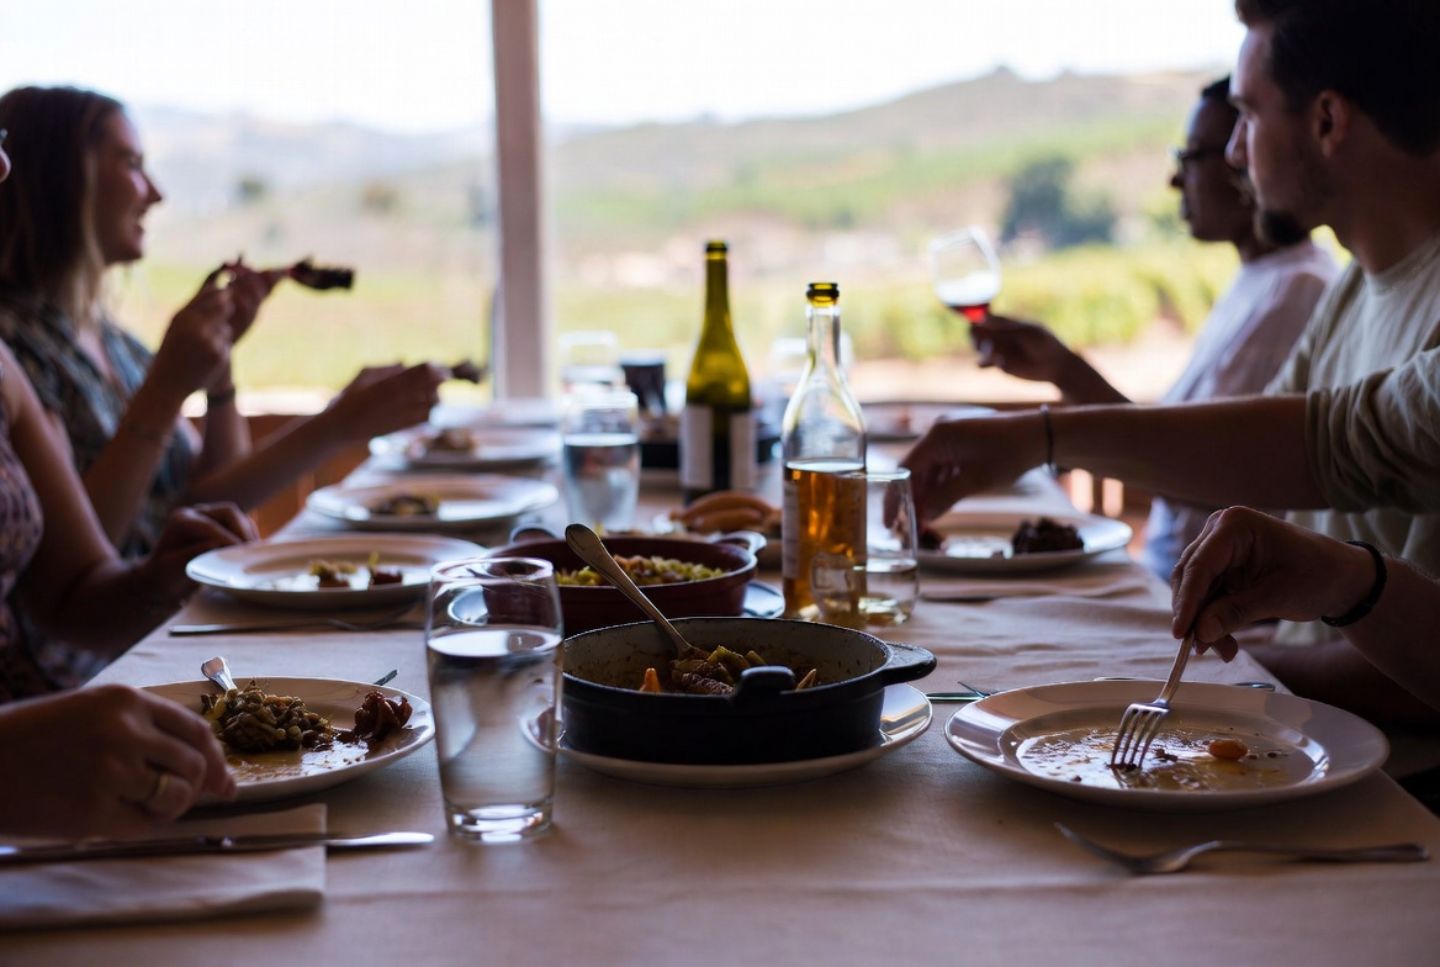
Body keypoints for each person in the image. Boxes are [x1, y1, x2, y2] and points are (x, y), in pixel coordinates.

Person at [904, 0, 1440, 660]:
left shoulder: (1322, 286)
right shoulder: (1357, 286)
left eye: (1246, 116)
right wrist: (1038, 430)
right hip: (1308, 726)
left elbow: (1323, 451)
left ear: (1328, 120)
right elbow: (1287, 450)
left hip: (1376, 754)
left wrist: (1187, 659)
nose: (1236, 154)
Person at [0, 85, 447, 562]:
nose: (156, 193)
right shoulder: (18, 348)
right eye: (131, 164)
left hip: (164, 616)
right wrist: (337, 424)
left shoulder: (112, 341)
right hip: (120, 632)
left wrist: (221, 373)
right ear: (62, 181)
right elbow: (78, 567)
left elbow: (205, 504)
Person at [969, 76, 1336, 577]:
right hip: (1170, 577)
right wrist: (1062, 368)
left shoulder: (1297, 290)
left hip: (1202, 601)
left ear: (1246, 153)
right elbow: (1182, 451)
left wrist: (1054, 405)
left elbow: (1209, 474)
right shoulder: (1260, 280)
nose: (1175, 179)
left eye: (1190, 157)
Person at [1171, 506, 1440, 726]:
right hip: (1304, 690)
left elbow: (1403, 693)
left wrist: (1252, 664)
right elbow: (1330, 459)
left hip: (1399, 756)